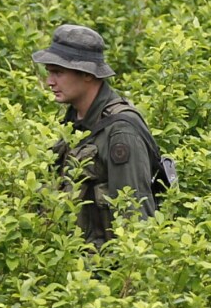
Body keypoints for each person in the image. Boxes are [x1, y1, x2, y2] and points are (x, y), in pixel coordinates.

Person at [33, 24, 160, 247]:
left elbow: (136, 220)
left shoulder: (121, 132)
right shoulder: (76, 121)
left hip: (105, 272)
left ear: (87, 74)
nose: (50, 82)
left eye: (58, 73)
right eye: (49, 72)